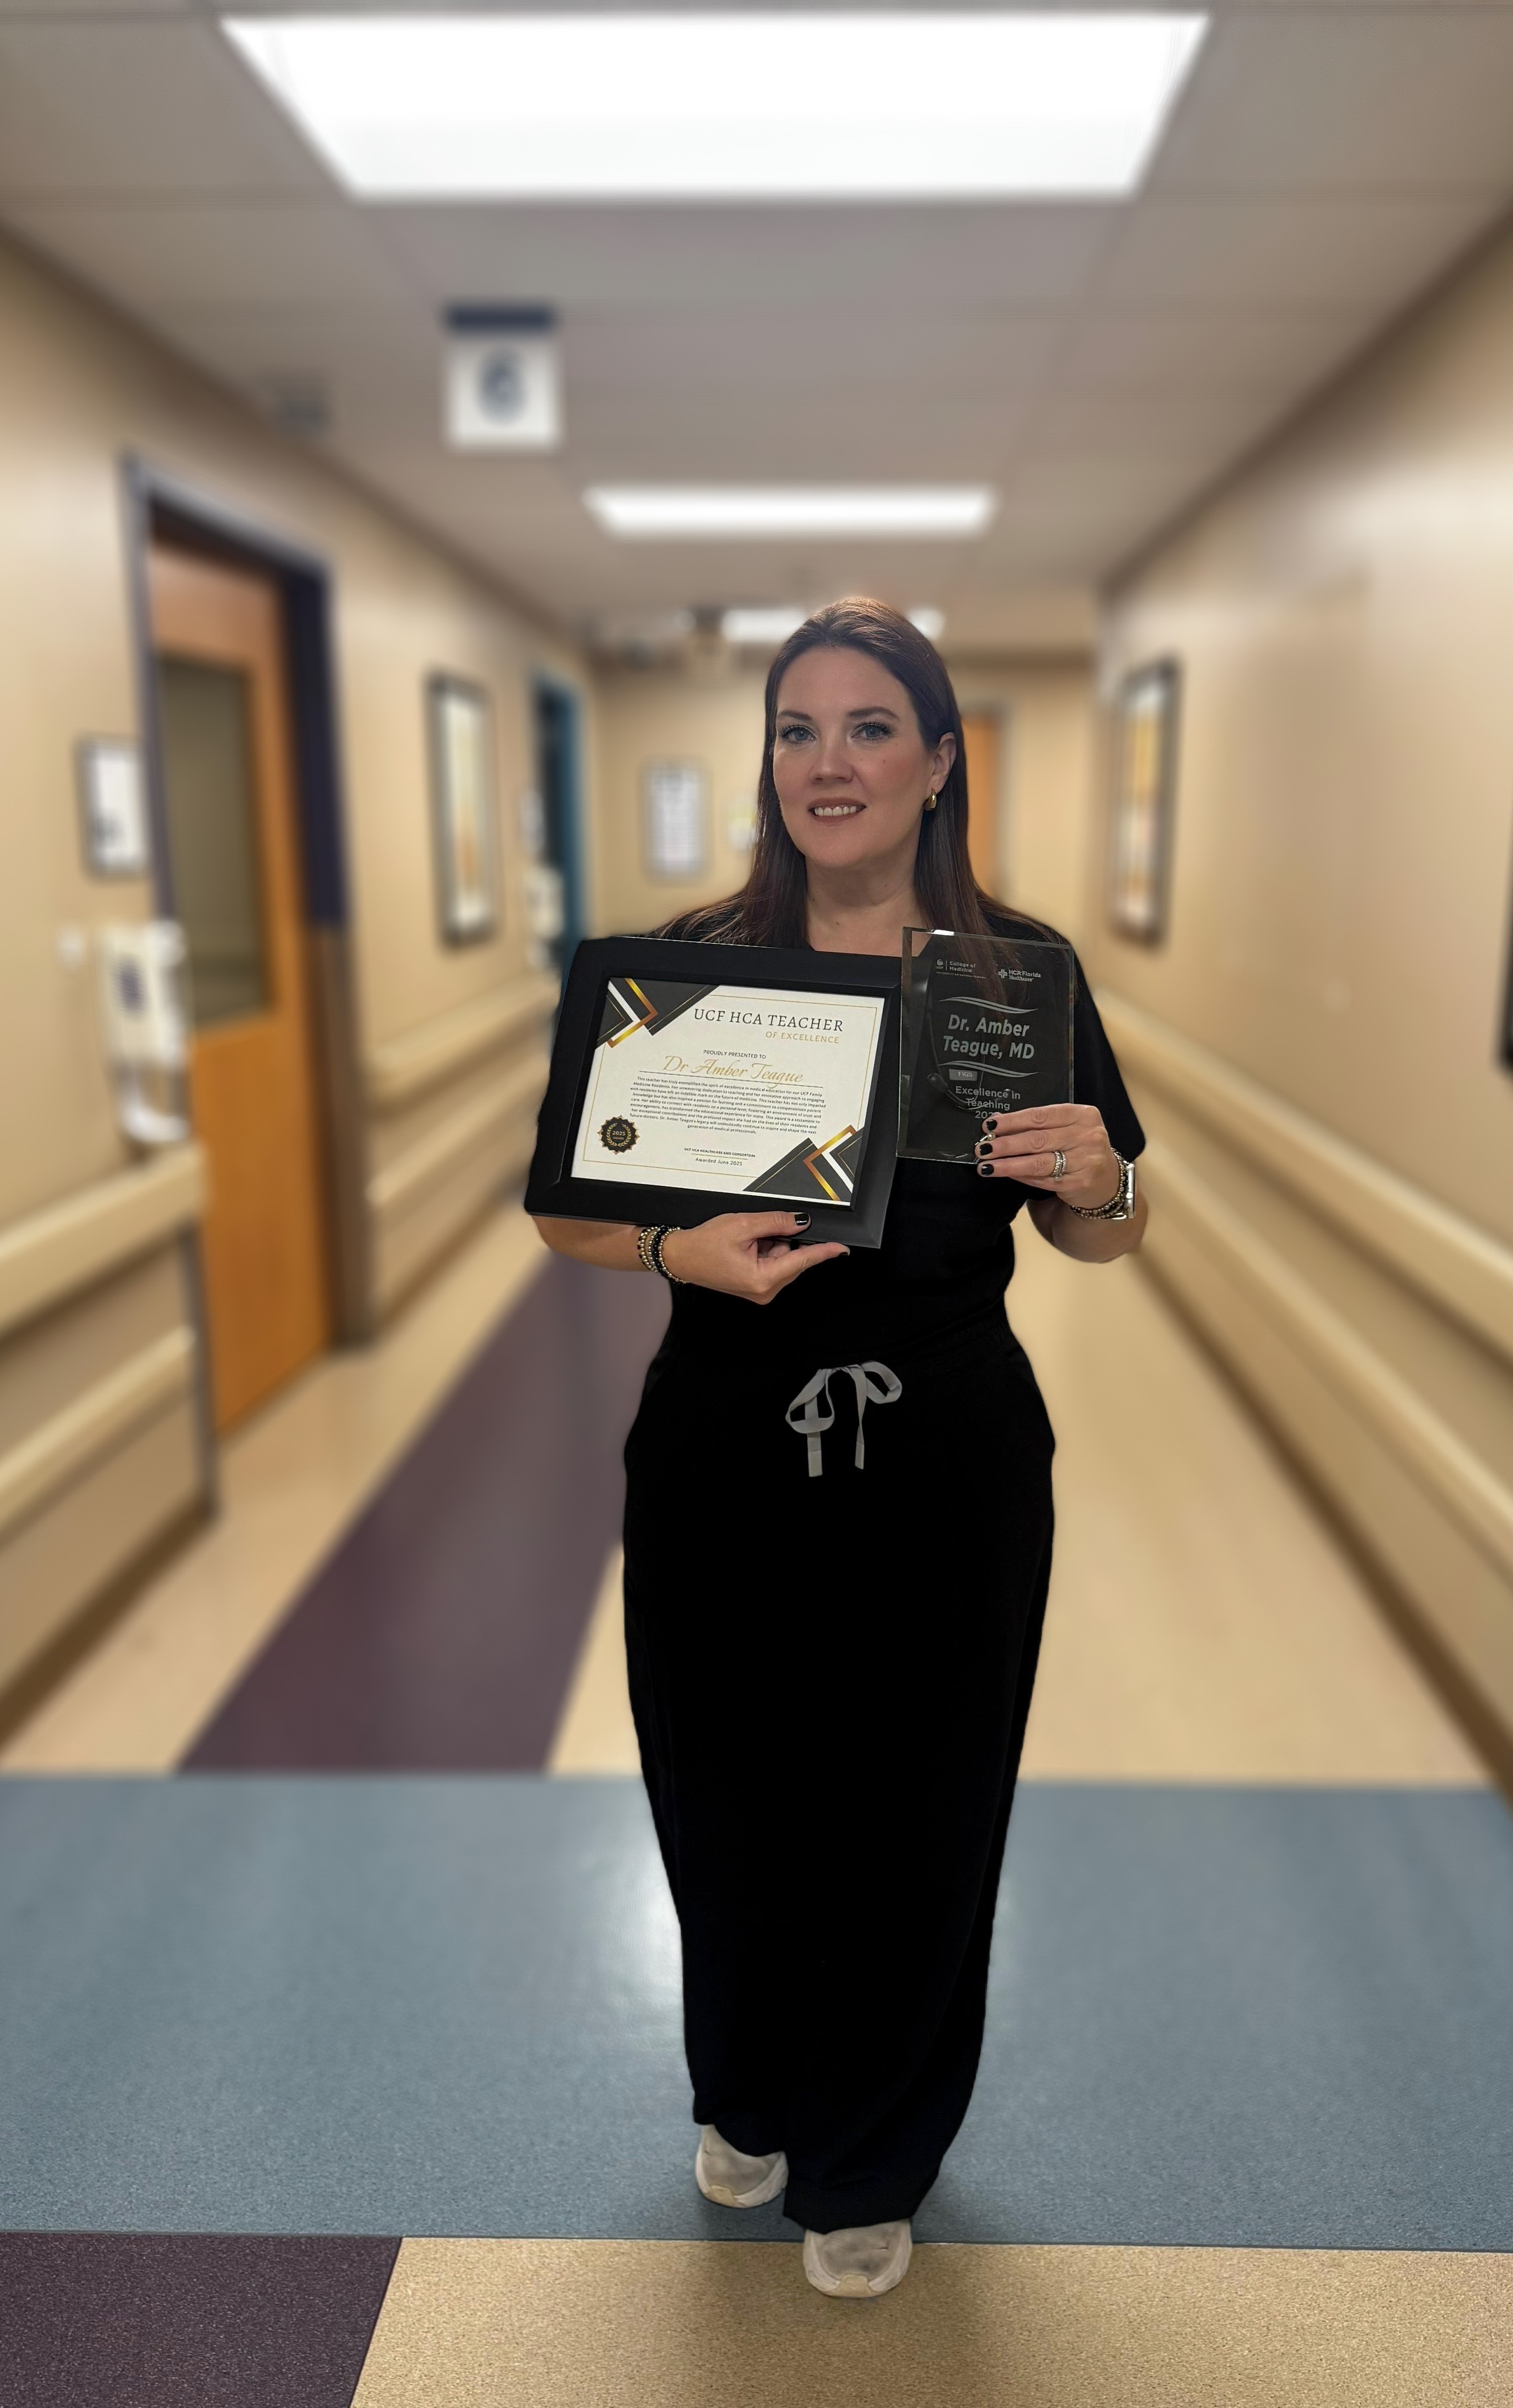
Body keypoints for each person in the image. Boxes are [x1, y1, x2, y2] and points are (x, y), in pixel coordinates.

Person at [531, 600, 1146, 2299]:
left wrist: (1106, 1187)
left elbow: (1098, 1238)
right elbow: (570, 1211)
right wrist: (676, 1251)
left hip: (948, 1456)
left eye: (872, 727)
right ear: (770, 765)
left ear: (939, 763)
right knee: (725, 1796)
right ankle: (747, 2085)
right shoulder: (693, 972)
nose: (831, 763)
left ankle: (873, 2147)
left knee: (921, 1812)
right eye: (799, 730)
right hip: (726, 1451)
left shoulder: (1020, 979)